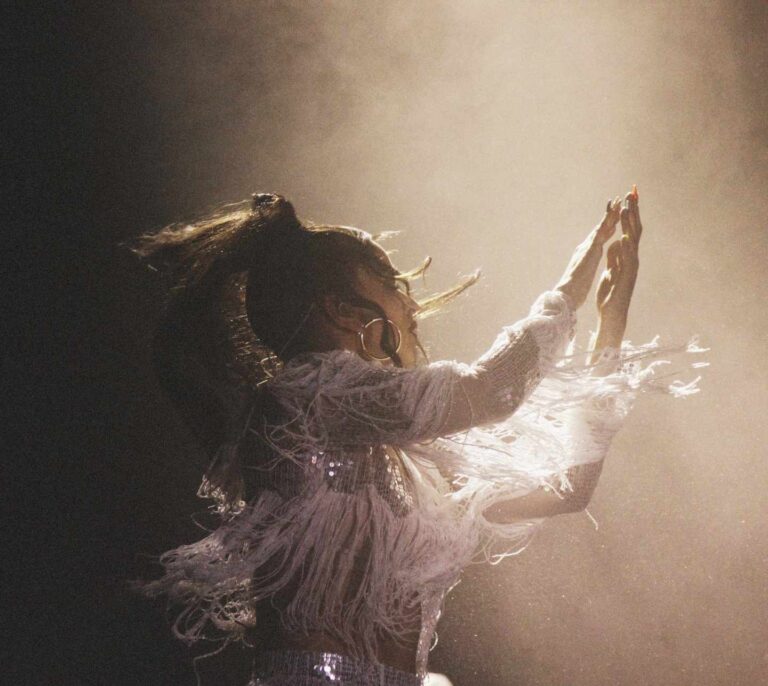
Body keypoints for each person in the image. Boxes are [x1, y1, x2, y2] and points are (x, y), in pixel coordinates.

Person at [130, 190, 704, 685]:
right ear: (340, 310)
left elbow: (567, 488)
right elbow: (491, 389)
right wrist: (569, 290)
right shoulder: (307, 396)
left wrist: (611, 321)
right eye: (390, 284)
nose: (409, 304)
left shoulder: (412, 462)